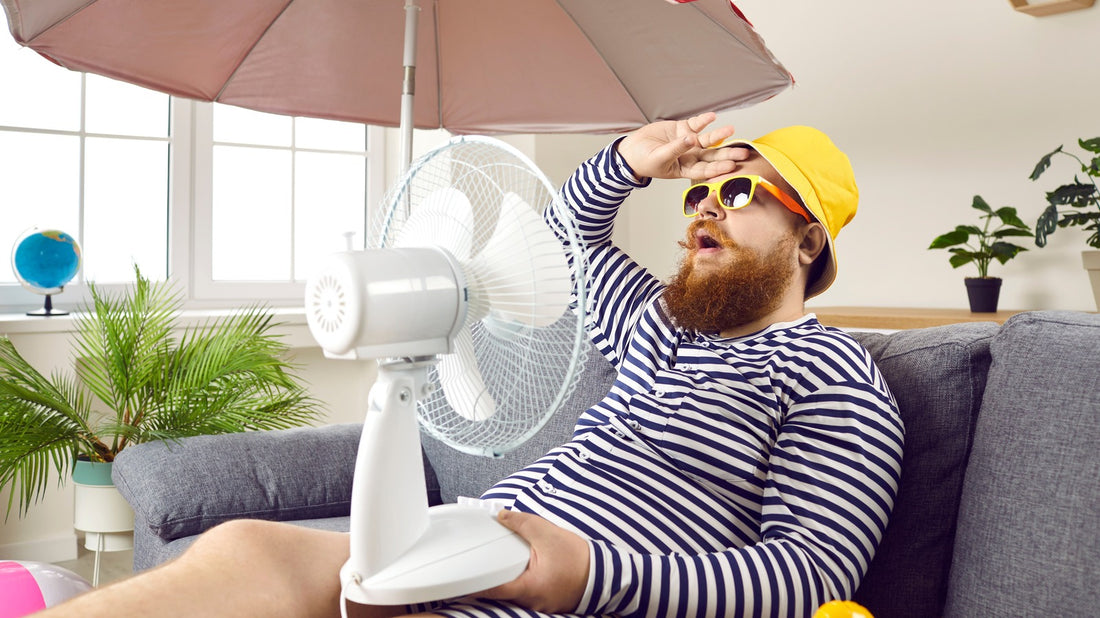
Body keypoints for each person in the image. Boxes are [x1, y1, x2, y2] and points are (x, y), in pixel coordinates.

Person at [40, 112, 903, 618]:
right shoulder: (654, 321)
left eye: (742, 191)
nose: (707, 208)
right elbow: (570, 227)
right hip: (461, 538)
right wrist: (633, 163)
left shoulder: (833, 374)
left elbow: (810, 574)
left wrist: (585, 576)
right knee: (245, 549)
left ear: (809, 238)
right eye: (699, 193)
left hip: (565, 597)